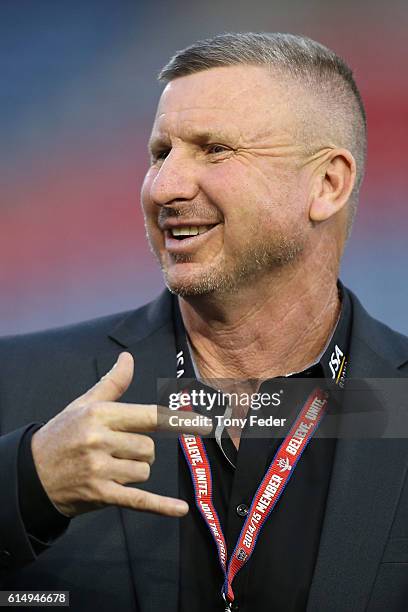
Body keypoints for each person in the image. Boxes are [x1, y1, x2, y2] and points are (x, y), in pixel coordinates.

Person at [0, 32, 407, 612]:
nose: (164, 186)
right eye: (161, 153)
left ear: (328, 184)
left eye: (215, 150)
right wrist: (24, 488)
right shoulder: (17, 387)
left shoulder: (399, 399)